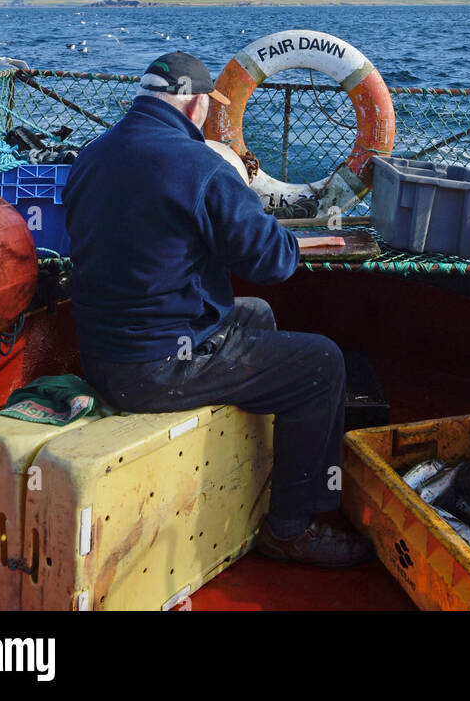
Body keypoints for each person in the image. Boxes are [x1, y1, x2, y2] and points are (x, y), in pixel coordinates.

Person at [62, 50, 371, 567]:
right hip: (156, 366)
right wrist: (285, 237)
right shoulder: (201, 166)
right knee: (321, 363)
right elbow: (271, 260)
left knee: (255, 315)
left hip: (101, 354)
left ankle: (245, 465)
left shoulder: (92, 156)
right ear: (195, 106)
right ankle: (292, 525)